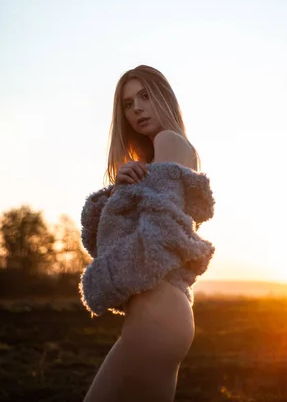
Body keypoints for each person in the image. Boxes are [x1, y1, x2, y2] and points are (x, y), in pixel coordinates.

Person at [82, 65, 209, 402]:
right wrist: (119, 188)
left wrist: (103, 282)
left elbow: (158, 235)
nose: (136, 108)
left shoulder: (168, 141)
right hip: (167, 314)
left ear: (164, 98)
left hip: (157, 314)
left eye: (144, 96)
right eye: (127, 104)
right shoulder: (169, 153)